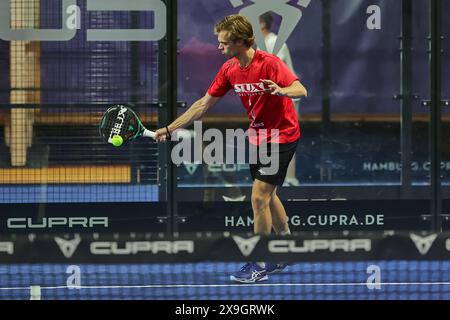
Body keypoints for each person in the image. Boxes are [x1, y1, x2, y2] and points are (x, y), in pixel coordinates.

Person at [155, 14, 307, 283]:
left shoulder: (269, 63)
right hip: (258, 136)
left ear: (240, 41)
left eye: (223, 42)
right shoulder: (229, 69)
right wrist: (170, 129)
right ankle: (287, 247)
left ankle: (258, 260)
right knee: (268, 195)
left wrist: (282, 91)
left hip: (282, 135)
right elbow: (203, 105)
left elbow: (300, 89)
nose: (219, 46)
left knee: (259, 197)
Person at [258, 12, 300, 186]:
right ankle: (272, 178)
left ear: (261, 25)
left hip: (287, 98)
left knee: (287, 138)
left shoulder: (275, 42)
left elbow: (273, 72)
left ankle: (290, 179)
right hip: (272, 100)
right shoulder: (261, 45)